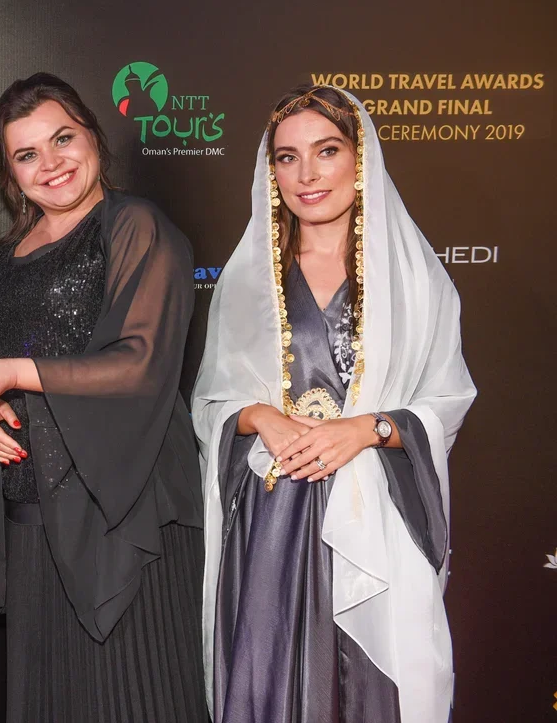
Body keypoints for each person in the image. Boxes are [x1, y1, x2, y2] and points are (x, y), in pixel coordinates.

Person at [193, 85, 477, 723]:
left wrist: (368, 429)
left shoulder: (414, 280)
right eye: (287, 157)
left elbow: (448, 397)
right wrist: (259, 416)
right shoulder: (247, 280)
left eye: (326, 151)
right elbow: (210, 400)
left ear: (361, 158)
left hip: (372, 518)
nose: (307, 174)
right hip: (271, 518)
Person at [0, 72, 209, 723]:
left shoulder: (135, 224)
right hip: (34, 515)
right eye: (27, 154)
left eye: (63, 139)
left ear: (93, 136)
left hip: (124, 511)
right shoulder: (11, 249)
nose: (50, 163)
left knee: (136, 700)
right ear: (10, 173)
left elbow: (141, 366)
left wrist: (12, 374)